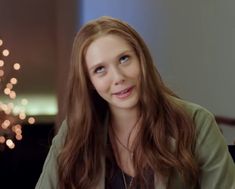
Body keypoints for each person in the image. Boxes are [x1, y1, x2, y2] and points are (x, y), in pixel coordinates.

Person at [35, 16, 235, 189]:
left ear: (142, 59)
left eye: (124, 59)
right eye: (100, 69)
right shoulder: (74, 132)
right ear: (89, 82)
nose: (118, 77)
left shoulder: (196, 122)